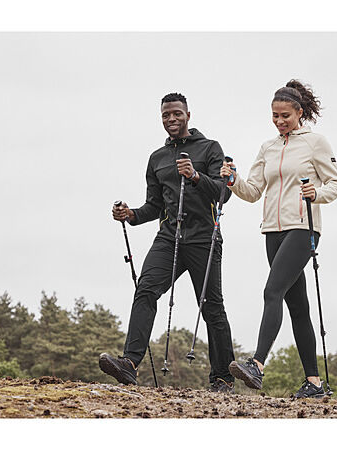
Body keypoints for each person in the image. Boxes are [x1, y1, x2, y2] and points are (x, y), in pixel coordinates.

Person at [100, 93, 236, 393]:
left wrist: (195, 175)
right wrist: (131, 215)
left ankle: (222, 378)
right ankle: (129, 363)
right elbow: (154, 205)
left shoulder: (210, 148)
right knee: (146, 290)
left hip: (204, 238)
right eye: (166, 115)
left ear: (188, 115)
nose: (171, 119)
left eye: (176, 113)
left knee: (212, 307)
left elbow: (223, 193)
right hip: (169, 237)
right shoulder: (157, 159)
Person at [221, 80, 337, 398]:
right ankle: (314, 383)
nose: (279, 121)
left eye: (285, 116)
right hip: (272, 232)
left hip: (303, 228)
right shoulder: (268, 147)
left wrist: (316, 193)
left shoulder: (315, 143)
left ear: (299, 112)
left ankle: (257, 365)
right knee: (298, 307)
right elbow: (253, 191)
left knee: (272, 290)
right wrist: (233, 180)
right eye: (275, 116)